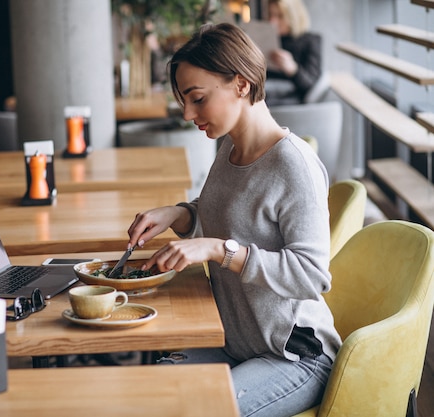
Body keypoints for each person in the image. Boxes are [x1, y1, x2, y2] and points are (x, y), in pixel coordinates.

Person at [125, 23, 341, 417]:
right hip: (235, 343)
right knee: (150, 396)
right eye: (184, 102)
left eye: (198, 99)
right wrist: (178, 213)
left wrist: (216, 250)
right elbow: (229, 215)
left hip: (294, 356)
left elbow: (311, 275)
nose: (189, 114)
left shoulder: (293, 165)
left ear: (241, 84)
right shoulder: (229, 148)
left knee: (199, 409)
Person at [265, 0, 322, 105]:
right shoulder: (267, 39)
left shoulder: (310, 41)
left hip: (292, 100)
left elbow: (312, 87)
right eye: (270, 14)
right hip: (266, 94)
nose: (272, 21)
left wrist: (293, 69)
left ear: (293, 17)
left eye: (280, 16)